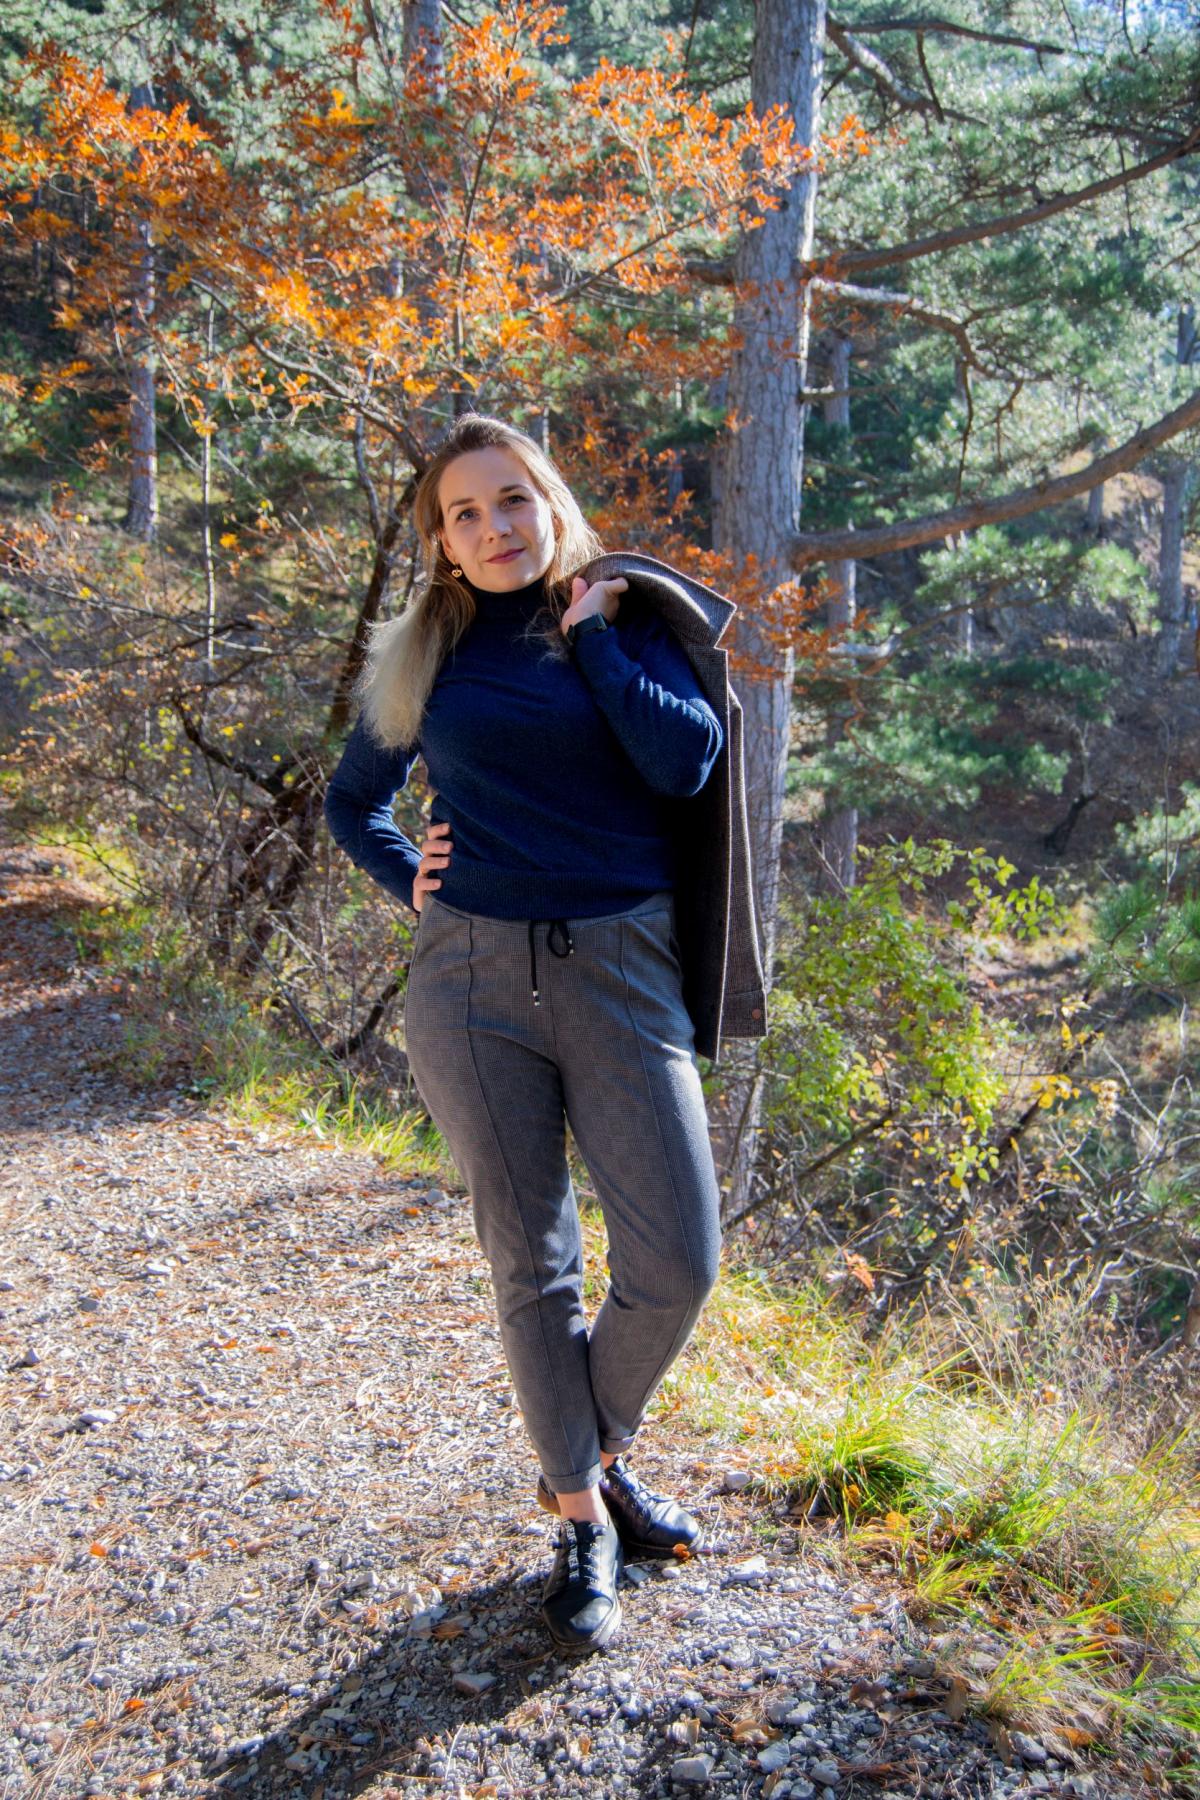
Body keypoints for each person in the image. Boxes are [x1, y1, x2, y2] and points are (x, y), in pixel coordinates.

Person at [324, 413, 763, 1657]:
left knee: (678, 1259)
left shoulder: (624, 617)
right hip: (468, 981)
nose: (494, 527)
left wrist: (594, 641)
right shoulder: (423, 650)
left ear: (548, 499)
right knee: (534, 1264)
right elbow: (353, 802)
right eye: (463, 514)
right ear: (442, 540)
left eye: (511, 498)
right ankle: (581, 1519)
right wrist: (410, 877)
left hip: (623, 972)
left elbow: (684, 762)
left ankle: (594, 1454)